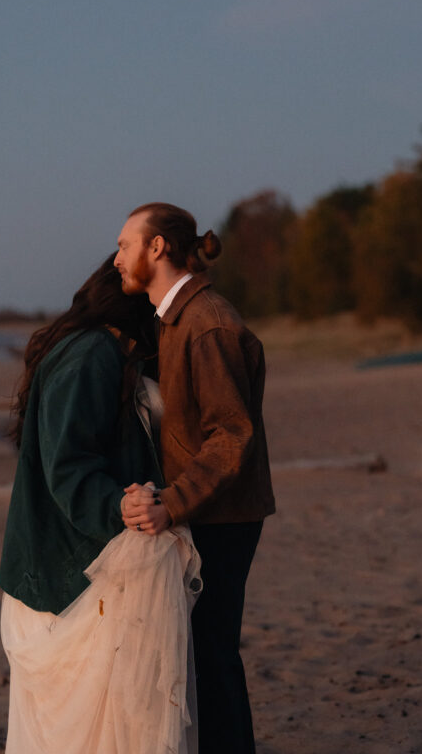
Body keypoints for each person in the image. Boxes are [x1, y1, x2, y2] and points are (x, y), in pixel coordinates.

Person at [0, 254, 202, 754]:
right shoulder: (91, 353)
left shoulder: (104, 352)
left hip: (74, 570)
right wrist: (119, 506)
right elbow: (67, 465)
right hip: (71, 579)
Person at [115, 203, 276, 754]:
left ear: (155, 248)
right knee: (203, 655)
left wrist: (173, 502)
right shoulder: (178, 318)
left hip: (222, 516)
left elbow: (233, 434)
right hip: (208, 509)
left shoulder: (208, 324)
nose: (117, 259)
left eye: (124, 245)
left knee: (212, 656)